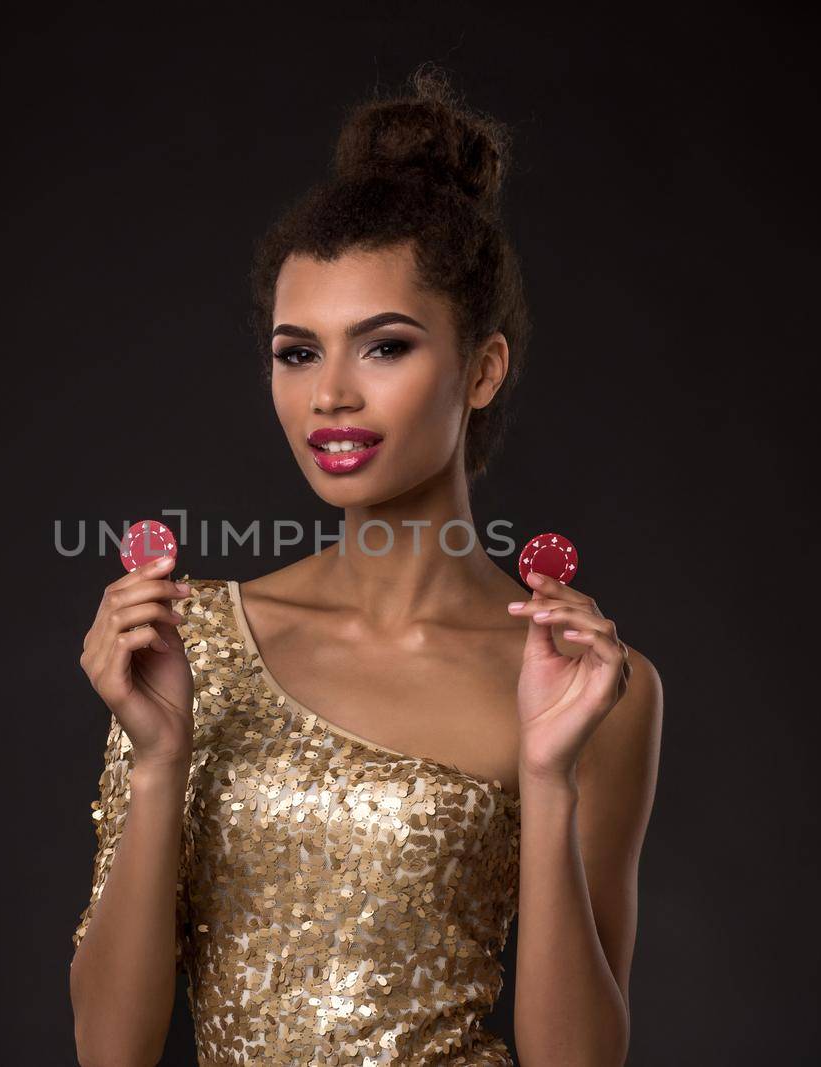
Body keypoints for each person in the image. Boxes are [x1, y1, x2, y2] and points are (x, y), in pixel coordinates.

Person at [69, 63, 663, 1067]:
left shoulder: (593, 682)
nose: (330, 395)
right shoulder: (190, 642)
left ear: (480, 368)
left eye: (383, 347)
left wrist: (548, 775)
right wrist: (161, 758)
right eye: (296, 352)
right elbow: (109, 1048)